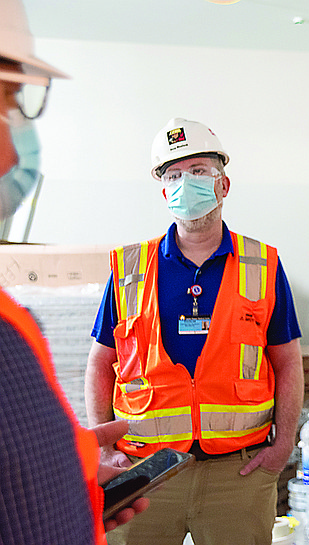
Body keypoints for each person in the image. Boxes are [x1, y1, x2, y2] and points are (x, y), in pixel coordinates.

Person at [85, 117, 304, 545]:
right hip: (144, 473)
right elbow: (100, 364)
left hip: (237, 474)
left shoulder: (263, 265)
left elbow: (288, 363)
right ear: (164, 190)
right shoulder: (130, 268)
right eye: (174, 175)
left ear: (224, 185)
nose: (187, 183)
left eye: (200, 171)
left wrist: (283, 447)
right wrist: (104, 446)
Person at [0, 0, 148, 542]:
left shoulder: (12, 319)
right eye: (9, 100)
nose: (16, 154)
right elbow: (100, 359)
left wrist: (76, 486)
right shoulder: (134, 269)